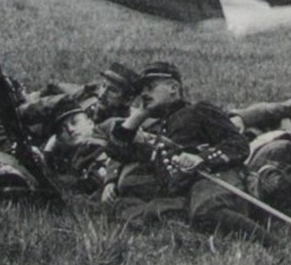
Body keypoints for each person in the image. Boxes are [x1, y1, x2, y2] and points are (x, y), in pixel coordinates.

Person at [106, 61, 264, 241]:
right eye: (142, 90)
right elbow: (115, 150)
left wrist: (201, 158)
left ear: (173, 87)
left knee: (206, 210)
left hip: (216, 178)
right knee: (137, 209)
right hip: (186, 190)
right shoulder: (158, 128)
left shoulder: (198, 111)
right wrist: (140, 114)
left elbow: (239, 144)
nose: (143, 93)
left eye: (150, 87)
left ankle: (273, 245)